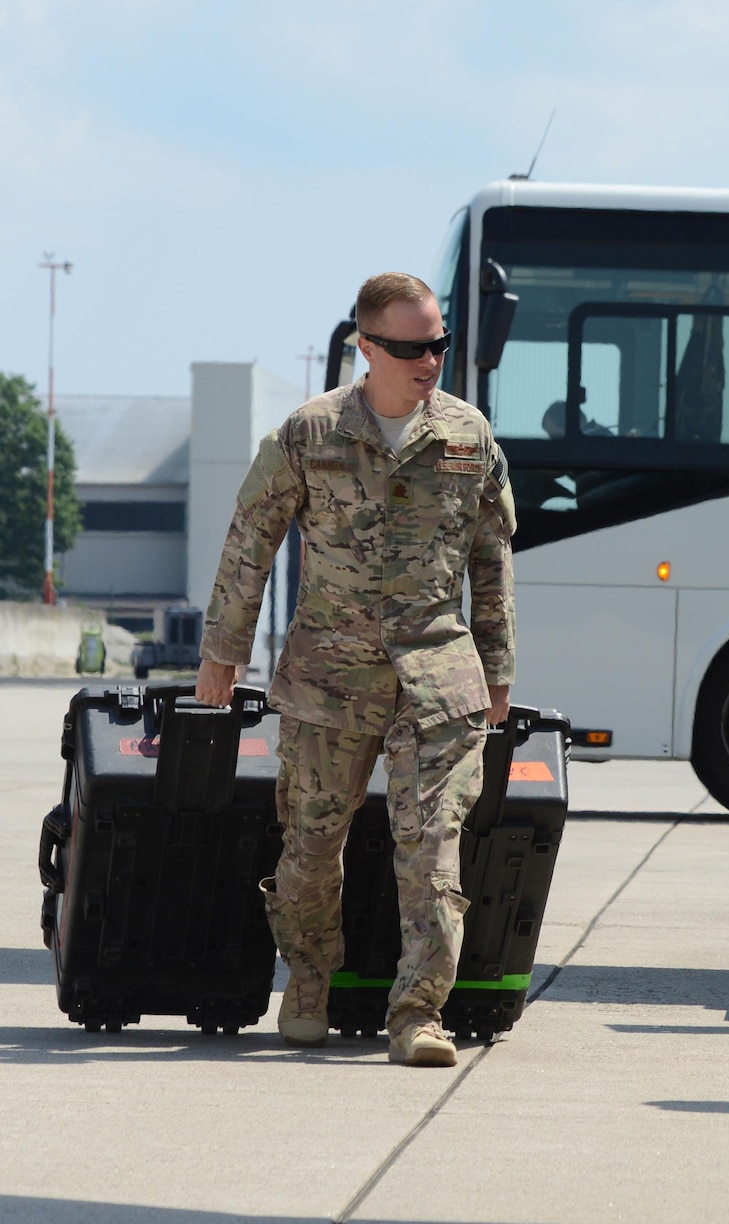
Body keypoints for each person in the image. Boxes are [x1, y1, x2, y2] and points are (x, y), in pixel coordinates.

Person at [194, 272, 516, 1068]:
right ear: (366, 346)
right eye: (411, 347)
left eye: (438, 343)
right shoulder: (310, 434)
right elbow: (250, 541)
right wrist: (222, 651)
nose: (430, 360)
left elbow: (493, 556)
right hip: (328, 680)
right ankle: (308, 980)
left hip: (439, 678)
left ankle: (416, 1013)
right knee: (308, 847)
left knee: (434, 846)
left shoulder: (469, 437)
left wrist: (498, 663)